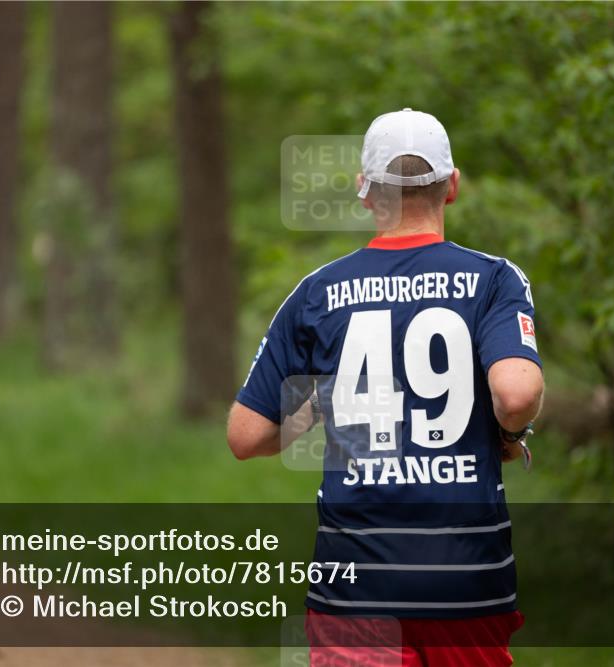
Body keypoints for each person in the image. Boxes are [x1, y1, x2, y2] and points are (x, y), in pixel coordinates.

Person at [227, 108, 544, 666]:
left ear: (364, 191)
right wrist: (510, 432)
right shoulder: (494, 279)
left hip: (355, 587)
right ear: (452, 186)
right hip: (467, 583)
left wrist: (330, 396)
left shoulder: (316, 293)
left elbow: (247, 435)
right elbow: (516, 396)